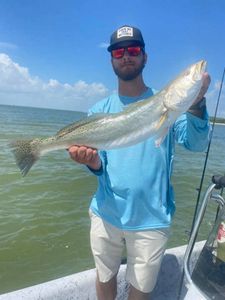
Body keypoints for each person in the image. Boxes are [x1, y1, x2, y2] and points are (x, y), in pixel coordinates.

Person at [69, 25, 211, 300]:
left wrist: (196, 102)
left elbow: (196, 143)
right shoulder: (98, 111)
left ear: (145, 57)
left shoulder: (168, 106)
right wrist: (92, 162)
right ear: (111, 59)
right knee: (104, 275)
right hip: (106, 213)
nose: (126, 56)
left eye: (133, 50)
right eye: (119, 51)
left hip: (152, 218)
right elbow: (101, 165)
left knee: (142, 289)